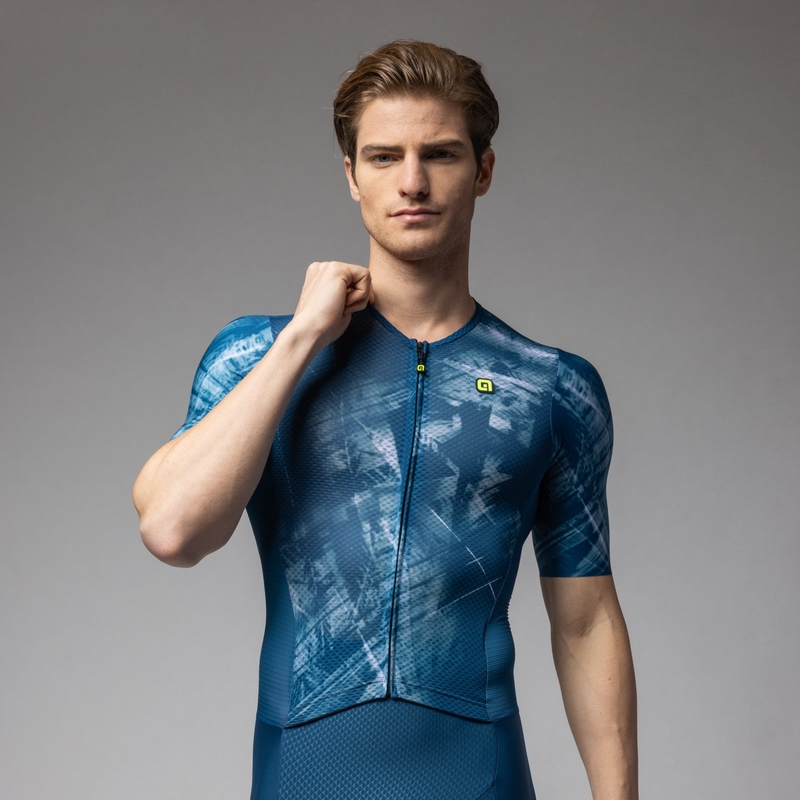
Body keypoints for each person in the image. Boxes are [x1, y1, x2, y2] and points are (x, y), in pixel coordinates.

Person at [133, 40, 638, 800]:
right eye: (383, 157)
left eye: (440, 154)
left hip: (480, 774)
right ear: (351, 175)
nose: (412, 182)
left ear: (484, 170)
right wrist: (303, 339)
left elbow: (586, 621)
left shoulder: (548, 387)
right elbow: (174, 530)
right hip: (304, 771)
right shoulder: (257, 357)